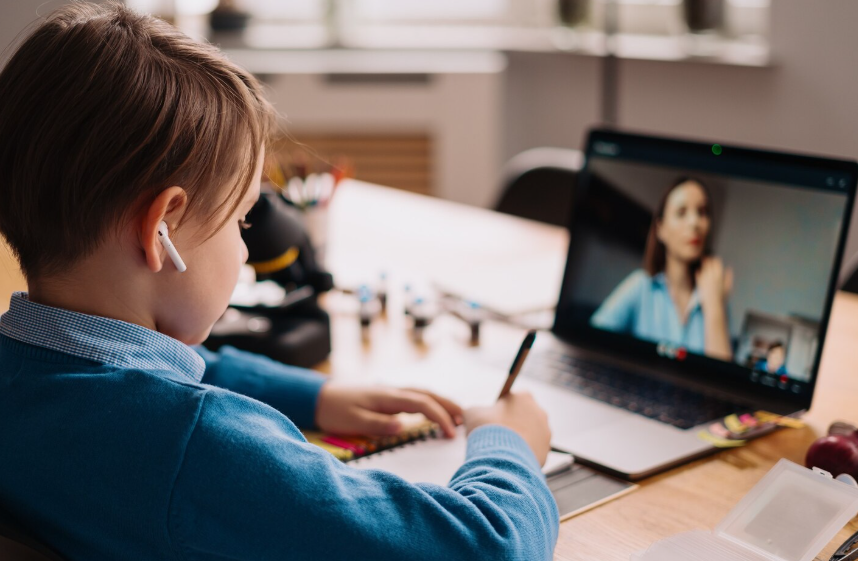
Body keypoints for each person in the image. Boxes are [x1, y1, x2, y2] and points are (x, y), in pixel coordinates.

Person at [0, 4, 557, 560]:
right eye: (241, 220)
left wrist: (315, 396)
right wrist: (509, 445)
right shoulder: (199, 448)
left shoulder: (31, 374)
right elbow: (486, 549)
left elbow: (137, 374)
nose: (245, 247)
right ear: (162, 229)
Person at [591, 177, 733, 361]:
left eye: (702, 212)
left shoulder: (716, 298)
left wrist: (715, 305)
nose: (695, 222)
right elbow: (590, 342)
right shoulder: (641, 286)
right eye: (682, 212)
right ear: (661, 229)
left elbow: (722, 383)